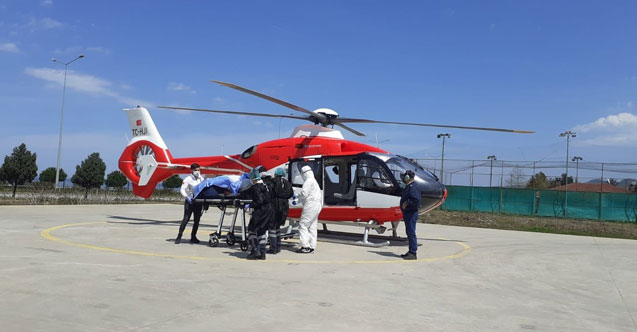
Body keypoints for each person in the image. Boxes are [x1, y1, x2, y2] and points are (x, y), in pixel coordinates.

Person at [245, 168, 275, 260]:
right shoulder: (266, 186)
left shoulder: (255, 188)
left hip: (260, 211)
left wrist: (249, 204)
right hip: (269, 210)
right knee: (262, 231)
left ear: (254, 178)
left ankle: (255, 250)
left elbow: (259, 201)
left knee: (252, 229)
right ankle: (262, 252)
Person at [175, 163, 205, 244]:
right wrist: (186, 197)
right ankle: (179, 236)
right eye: (195, 170)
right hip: (190, 202)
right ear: (191, 170)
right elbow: (182, 189)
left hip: (198, 202)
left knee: (197, 220)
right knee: (186, 219)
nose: (197, 172)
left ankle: (193, 237)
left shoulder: (201, 179)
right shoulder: (187, 179)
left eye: (199, 170)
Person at [267, 168, 293, 254]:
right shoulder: (287, 183)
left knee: (271, 227)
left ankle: (273, 248)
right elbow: (290, 194)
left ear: (275, 174)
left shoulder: (272, 182)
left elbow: (267, 193)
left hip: (274, 206)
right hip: (284, 206)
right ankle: (278, 246)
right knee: (277, 227)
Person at [297, 165, 322, 253]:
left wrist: (297, 196)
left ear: (304, 174)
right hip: (318, 205)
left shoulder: (308, 181)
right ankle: (312, 245)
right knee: (312, 226)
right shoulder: (314, 182)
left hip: (310, 204)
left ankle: (305, 246)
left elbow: (304, 194)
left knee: (303, 224)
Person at [399, 170, 421, 260]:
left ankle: (413, 253)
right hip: (408, 213)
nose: (403, 178)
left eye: (405, 176)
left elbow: (416, 200)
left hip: (411, 213)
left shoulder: (412, 187)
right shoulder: (410, 186)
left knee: (411, 233)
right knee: (409, 232)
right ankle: (410, 251)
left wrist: (407, 203)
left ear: (408, 177)